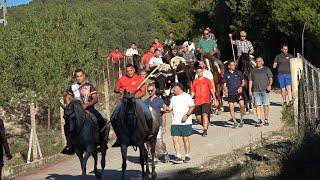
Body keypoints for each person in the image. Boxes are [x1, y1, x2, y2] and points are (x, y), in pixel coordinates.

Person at [62, 68, 106, 155]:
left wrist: (87, 104)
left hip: (88, 108)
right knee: (67, 123)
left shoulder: (90, 85)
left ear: (84, 76)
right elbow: (67, 97)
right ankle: (69, 144)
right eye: (77, 76)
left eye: (80, 76)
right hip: (76, 110)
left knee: (100, 119)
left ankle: (100, 141)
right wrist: (69, 106)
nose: (79, 78)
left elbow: (95, 98)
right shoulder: (73, 87)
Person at [112, 64, 153, 144]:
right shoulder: (122, 79)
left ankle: (148, 132)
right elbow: (115, 89)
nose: (129, 72)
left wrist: (134, 97)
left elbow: (143, 92)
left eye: (130, 70)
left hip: (136, 99)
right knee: (113, 117)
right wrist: (119, 90)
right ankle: (118, 136)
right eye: (127, 71)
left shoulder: (139, 79)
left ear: (134, 70)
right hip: (124, 100)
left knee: (147, 112)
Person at [163, 83, 195, 164]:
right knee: (175, 139)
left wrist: (187, 115)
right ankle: (178, 156)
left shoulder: (187, 96)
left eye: (174, 88)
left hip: (185, 122)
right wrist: (166, 108)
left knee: (185, 139)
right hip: (175, 122)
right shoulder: (173, 98)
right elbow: (170, 109)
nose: (173, 89)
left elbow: (192, 106)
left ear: (179, 88)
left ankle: (187, 155)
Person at [144, 84, 168, 162]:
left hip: (158, 124)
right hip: (148, 126)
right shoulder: (145, 102)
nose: (150, 92)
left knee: (158, 141)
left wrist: (164, 125)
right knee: (148, 141)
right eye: (148, 91)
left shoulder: (159, 100)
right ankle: (152, 157)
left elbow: (163, 113)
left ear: (154, 90)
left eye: (151, 90)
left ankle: (164, 152)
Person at [191, 67, 217, 137]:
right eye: (198, 72)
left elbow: (211, 90)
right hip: (197, 101)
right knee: (198, 118)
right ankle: (205, 124)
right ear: (196, 73)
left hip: (206, 100)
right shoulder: (194, 81)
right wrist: (189, 99)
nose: (199, 73)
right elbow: (193, 92)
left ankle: (204, 130)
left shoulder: (207, 80)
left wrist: (215, 99)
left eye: (201, 71)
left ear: (203, 72)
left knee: (204, 114)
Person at [249, 57, 273, 126]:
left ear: (263, 62)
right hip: (256, 91)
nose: (258, 62)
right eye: (256, 61)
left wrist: (269, 85)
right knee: (257, 105)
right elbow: (250, 81)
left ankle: (266, 119)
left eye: (259, 61)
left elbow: (270, 78)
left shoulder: (266, 69)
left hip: (265, 90)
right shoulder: (253, 71)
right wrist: (250, 90)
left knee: (266, 105)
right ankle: (259, 120)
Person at [223, 60, 246, 128]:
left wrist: (241, 87)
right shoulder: (226, 74)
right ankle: (235, 121)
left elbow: (243, 81)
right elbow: (224, 85)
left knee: (242, 105)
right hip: (231, 93)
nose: (233, 66)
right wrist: (226, 91)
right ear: (229, 66)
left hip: (239, 92)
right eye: (232, 65)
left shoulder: (239, 72)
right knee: (231, 106)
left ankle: (241, 119)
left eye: (234, 65)